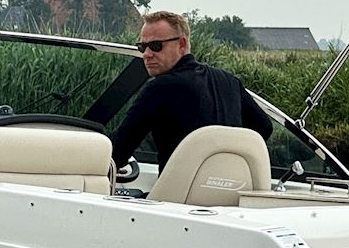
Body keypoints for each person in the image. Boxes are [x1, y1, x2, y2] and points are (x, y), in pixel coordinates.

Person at [109, 11, 273, 170]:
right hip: (227, 193)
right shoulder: (230, 81)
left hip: (174, 196)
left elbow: (119, 150)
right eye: (142, 47)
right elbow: (264, 127)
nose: (147, 54)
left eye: (155, 46)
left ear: (182, 44)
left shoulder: (160, 88)